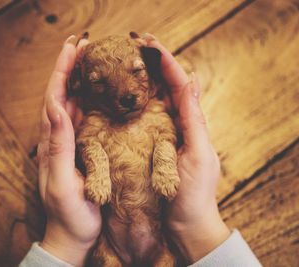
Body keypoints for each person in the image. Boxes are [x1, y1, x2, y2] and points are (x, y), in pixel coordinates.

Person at [20, 33, 262, 267]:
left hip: (161, 243)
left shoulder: (157, 114)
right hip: (109, 245)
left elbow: (166, 138)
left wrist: (166, 165)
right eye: (99, 82)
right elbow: (87, 143)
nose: (124, 91)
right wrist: (98, 172)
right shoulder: (93, 121)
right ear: (82, 85)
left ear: (149, 68)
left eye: (137, 71)